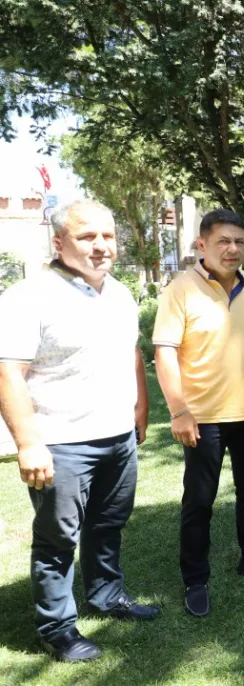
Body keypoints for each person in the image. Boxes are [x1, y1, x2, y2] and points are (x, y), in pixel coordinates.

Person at [0, 200, 157, 662]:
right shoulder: (28, 297)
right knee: (58, 540)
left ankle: (106, 595)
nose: (101, 245)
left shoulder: (120, 294)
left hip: (117, 436)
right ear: (59, 242)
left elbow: (131, 353)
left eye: (107, 235)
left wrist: (140, 407)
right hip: (61, 442)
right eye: (87, 236)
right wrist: (28, 443)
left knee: (108, 524)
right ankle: (58, 628)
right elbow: (8, 373)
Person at [153, 209, 244, 619]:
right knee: (200, 500)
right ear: (202, 245)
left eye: (239, 242)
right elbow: (165, 353)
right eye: (223, 242)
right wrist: (179, 411)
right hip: (203, 417)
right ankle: (195, 579)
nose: (233, 249)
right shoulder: (180, 289)